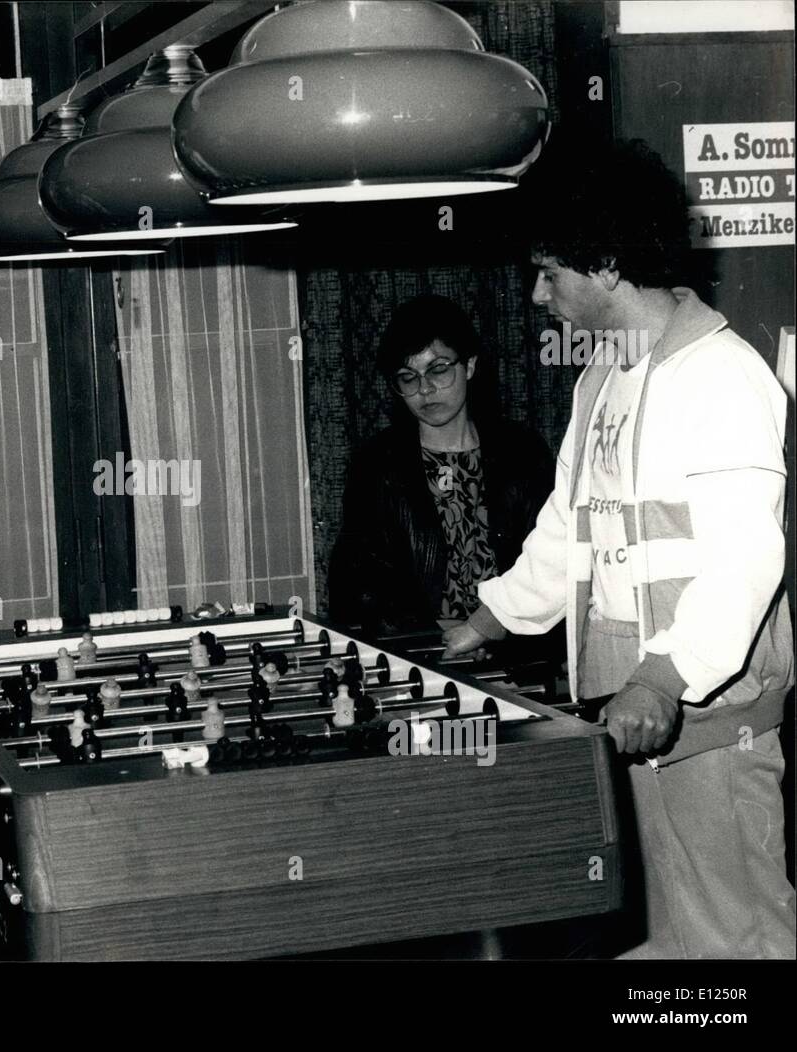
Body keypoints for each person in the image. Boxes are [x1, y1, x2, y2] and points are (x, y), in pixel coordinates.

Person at [443, 140, 795, 958]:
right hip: (624, 709)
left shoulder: (722, 376)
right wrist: (490, 619)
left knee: (739, 939)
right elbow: (571, 523)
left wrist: (664, 678)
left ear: (604, 263)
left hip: (705, 716)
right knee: (667, 938)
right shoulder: (602, 377)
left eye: (549, 272)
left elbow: (746, 556)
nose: (538, 295)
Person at [328, 295, 556, 642]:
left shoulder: (523, 452)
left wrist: (487, 629)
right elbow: (362, 583)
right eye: (408, 377)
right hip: (425, 653)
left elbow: (550, 562)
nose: (425, 389)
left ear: (469, 366)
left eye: (438, 370)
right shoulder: (377, 464)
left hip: (518, 647)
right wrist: (434, 636)